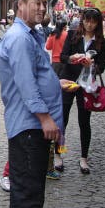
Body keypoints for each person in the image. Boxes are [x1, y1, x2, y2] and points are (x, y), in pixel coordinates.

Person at [0, 0, 65, 208]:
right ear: (20, 5)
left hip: (32, 124)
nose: (41, 9)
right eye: (37, 3)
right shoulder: (20, 38)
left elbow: (35, 76)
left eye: (45, 5)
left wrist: (55, 84)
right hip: (29, 126)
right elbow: (25, 84)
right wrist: (45, 117)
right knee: (28, 189)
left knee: (31, 185)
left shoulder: (31, 36)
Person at [59, 7, 105, 175]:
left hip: (86, 85)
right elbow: (63, 57)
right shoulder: (73, 35)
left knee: (84, 121)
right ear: (82, 20)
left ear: (97, 23)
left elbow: (102, 67)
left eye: (93, 22)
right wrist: (72, 58)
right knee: (62, 117)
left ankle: (83, 157)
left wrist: (92, 65)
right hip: (69, 80)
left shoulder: (102, 41)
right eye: (87, 20)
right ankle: (59, 153)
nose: (89, 24)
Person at [45, 17, 69, 172]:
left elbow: (47, 46)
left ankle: (56, 156)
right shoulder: (66, 35)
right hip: (64, 64)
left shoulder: (53, 35)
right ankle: (60, 155)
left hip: (54, 63)